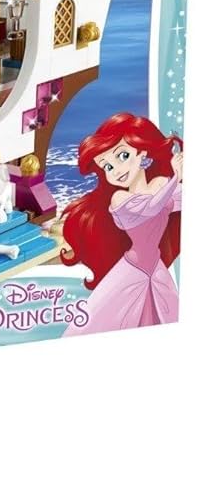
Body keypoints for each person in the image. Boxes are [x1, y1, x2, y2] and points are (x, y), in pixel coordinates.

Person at [61, 113, 182, 335]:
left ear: (141, 152)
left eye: (123, 156)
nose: (116, 170)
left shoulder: (160, 183)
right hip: (132, 271)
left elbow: (173, 199)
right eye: (107, 167)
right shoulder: (120, 199)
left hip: (156, 271)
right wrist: (176, 178)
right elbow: (152, 206)